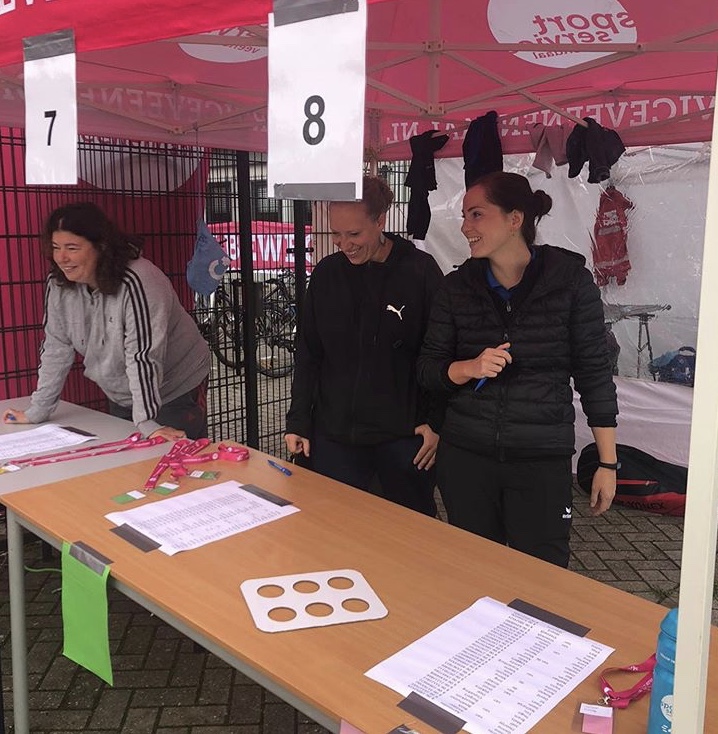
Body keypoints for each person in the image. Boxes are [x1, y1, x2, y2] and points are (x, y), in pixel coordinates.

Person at [417, 171, 618, 566]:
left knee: (542, 578)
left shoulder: (571, 284)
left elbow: (595, 375)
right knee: (475, 572)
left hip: (541, 460)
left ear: (515, 219)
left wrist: (607, 463)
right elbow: (428, 370)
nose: (465, 227)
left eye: (477, 214)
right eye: (464, 216)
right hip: (467, 458)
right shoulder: (456, 288)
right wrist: (469, 367)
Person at [284, 176, 444, 516]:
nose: (344, 244)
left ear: (380, 221)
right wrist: (298, 421)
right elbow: (309, 353)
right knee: (336, 528)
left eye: (354, 234)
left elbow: (441, 353)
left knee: (408, 532)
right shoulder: (327, 274)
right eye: (336, 234)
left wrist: (435, 422)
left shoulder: (420, 271)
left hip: (403, 438)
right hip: (335, 438)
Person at [2, 202, 210, 440]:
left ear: (100, 246)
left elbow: (143, 355)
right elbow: (55, 348)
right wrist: (38, 410)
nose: (61, 257)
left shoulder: (138, 280)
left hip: (175, 385)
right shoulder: (58, 284)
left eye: (72, 248)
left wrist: (147, 422)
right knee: (130, 454)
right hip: (123, 391)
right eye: (55, 247)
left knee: (173, 452)